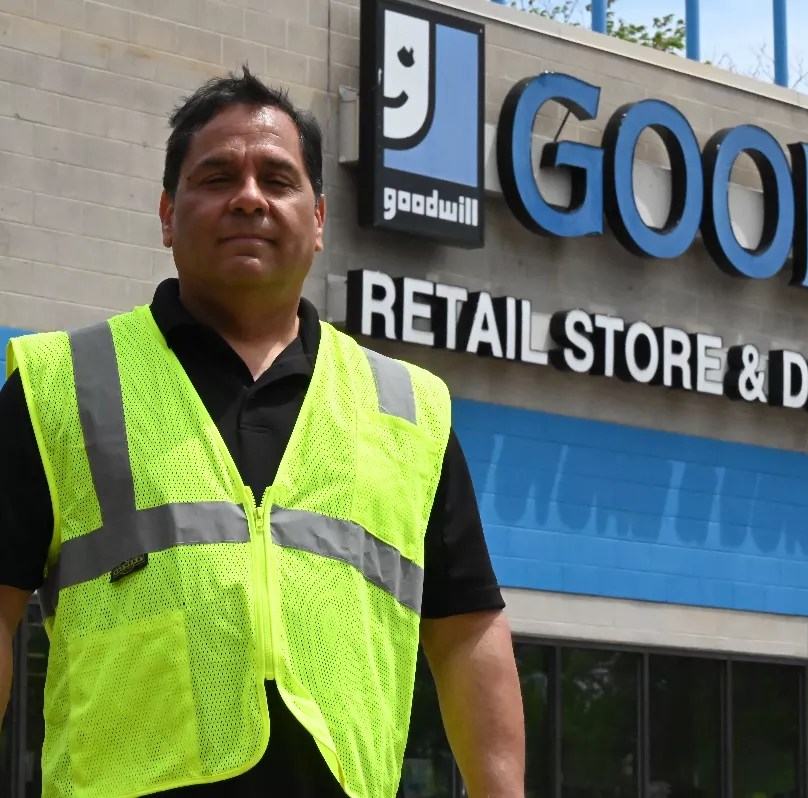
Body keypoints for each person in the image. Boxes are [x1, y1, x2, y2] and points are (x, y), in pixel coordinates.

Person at [0, 68, 525, 798]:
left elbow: (467, 631)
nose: (249, 197)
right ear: (167, 214)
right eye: (217, 177)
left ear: (318, 220)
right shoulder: (62, 384)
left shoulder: (409, 408)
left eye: (277, 180)